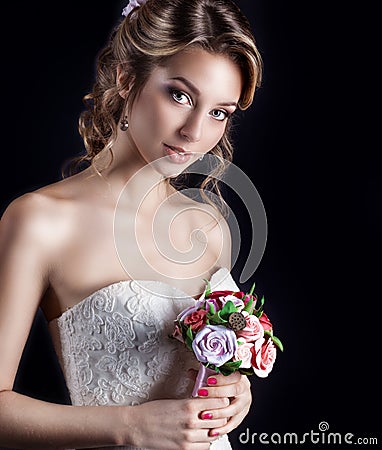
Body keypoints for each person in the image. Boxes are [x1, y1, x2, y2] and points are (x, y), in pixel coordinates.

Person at [0, 0, 263, 448]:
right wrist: (131, 426)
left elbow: (207, 372)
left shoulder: (208, 224)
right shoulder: (40, 221)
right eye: (180, 95)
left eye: (220, 112)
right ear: (126, 77)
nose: (194, 132)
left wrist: (237, 392)